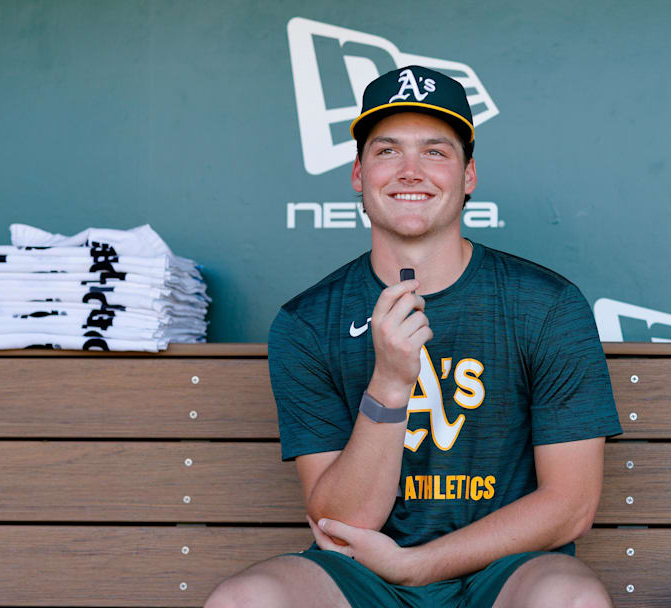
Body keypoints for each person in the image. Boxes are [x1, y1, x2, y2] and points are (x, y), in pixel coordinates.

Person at [205, 65, 622, 608]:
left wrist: (420, 564)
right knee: (245, 600)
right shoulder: (307, 322)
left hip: (506, 570)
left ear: (468, 175)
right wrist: (389, 384)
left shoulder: (546, 305)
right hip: (363, 575)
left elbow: (571, 505)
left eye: (434, 151)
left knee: (573, 601)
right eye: (387, 151)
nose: (409, 171)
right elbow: (340, 522)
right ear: (357, 173)